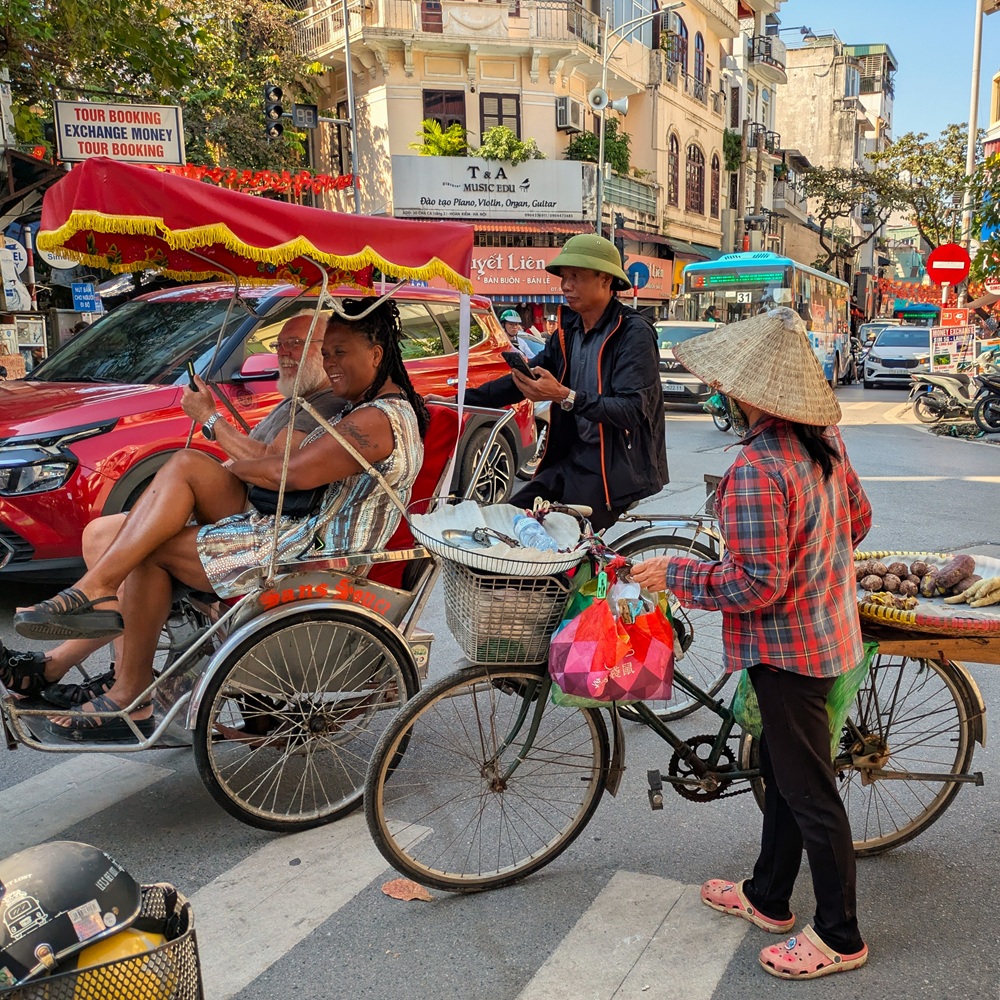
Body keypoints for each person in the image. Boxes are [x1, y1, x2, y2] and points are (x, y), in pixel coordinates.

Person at [8, 298, 427, 742]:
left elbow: (292, 472)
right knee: (181, 475)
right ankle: (105, 624)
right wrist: (238, 467)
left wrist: (229, 460)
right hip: (299, 535)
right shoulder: (363, 409)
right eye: (325, 354)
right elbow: (282, 467)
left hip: (311, 553)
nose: (330, 363)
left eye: (338, 352)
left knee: (168, 511)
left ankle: (122, 670)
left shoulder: (379, 418)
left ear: (377, 354)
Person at [631, 306, 873, 982]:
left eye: (725, 387)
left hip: (790, 654)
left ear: (751, 395)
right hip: (826, 635)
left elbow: (755, 586)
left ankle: (840, 935)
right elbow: (857, 520)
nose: (719, 395)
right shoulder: (823, 439)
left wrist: (674, 574)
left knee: (809, 793)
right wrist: (818, 570)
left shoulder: (758, 471)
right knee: (781, 770)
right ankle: (769, 897)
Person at [460, 233, 667, 532]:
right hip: (573, 458)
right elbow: (525, 376)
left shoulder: (633, 333)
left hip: (614, 470)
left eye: (576, 276)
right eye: (563, 277)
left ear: (606, 280)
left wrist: (564, 395)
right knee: (507, 525)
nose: (566, 286)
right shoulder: (568, 330)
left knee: (560, 550)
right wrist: (462, 399)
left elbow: (632, 409)